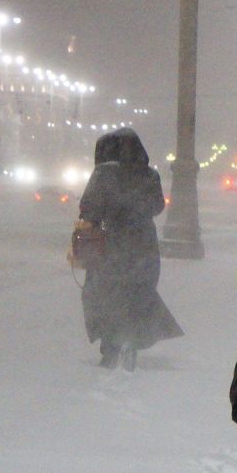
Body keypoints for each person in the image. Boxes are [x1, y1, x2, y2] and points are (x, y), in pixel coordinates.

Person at [78, 127, 183, 369]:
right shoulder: (149, 175)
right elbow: (157, 206)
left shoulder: (103, 174)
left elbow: (88, 208)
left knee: (105, 294)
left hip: (109, 245)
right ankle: (131, 341)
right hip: (142, 245)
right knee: (137, 293)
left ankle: (110, 347)